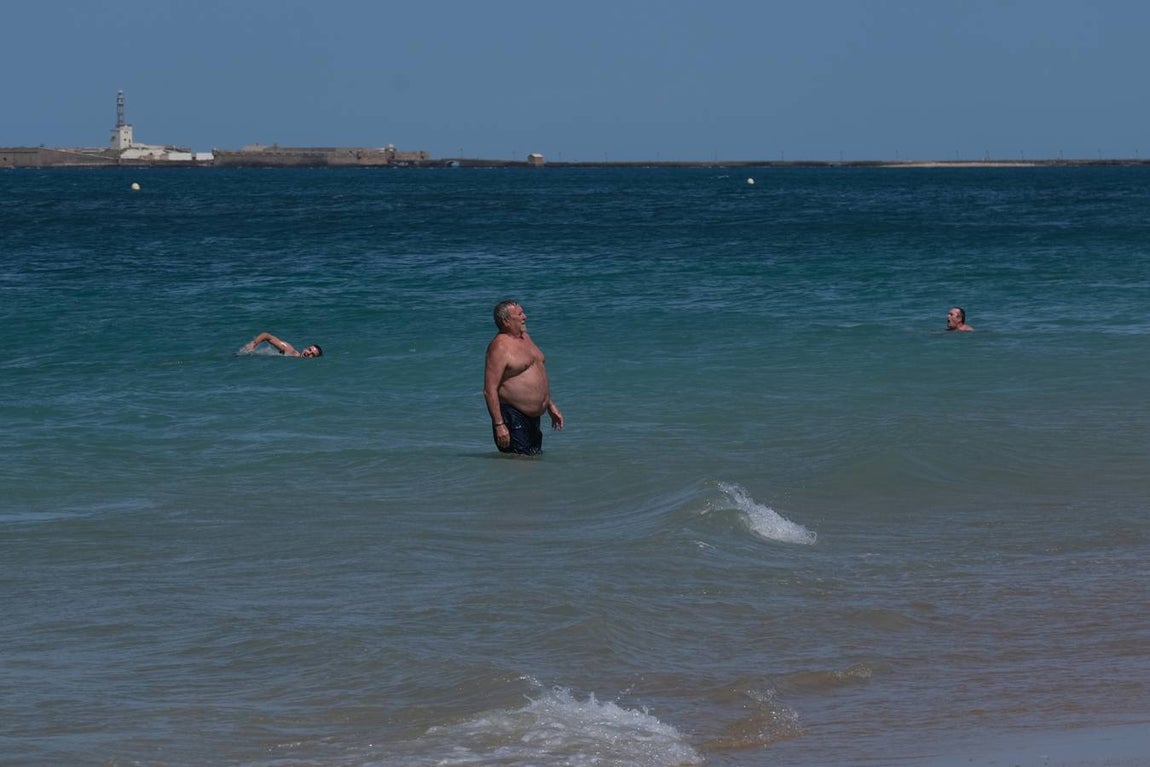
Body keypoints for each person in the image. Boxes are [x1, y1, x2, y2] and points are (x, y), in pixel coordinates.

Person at [484, 300, 563, 455]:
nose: (525, 317)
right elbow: (489, 390)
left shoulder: (525, 337)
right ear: (506, 321)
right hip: (513, 417)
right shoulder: (499, 347)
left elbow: (537, 372)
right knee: (521, 465)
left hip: (533, 418)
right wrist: (499, 425)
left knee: (533, 463)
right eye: (519, 314)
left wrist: (550, 406)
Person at [241, 332, 323, 357]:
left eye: (312, 354)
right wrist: (253, 345)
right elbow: (266, 336)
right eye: (309, 350)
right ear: (305, 348)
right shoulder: (290, 351)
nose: (308, 353)